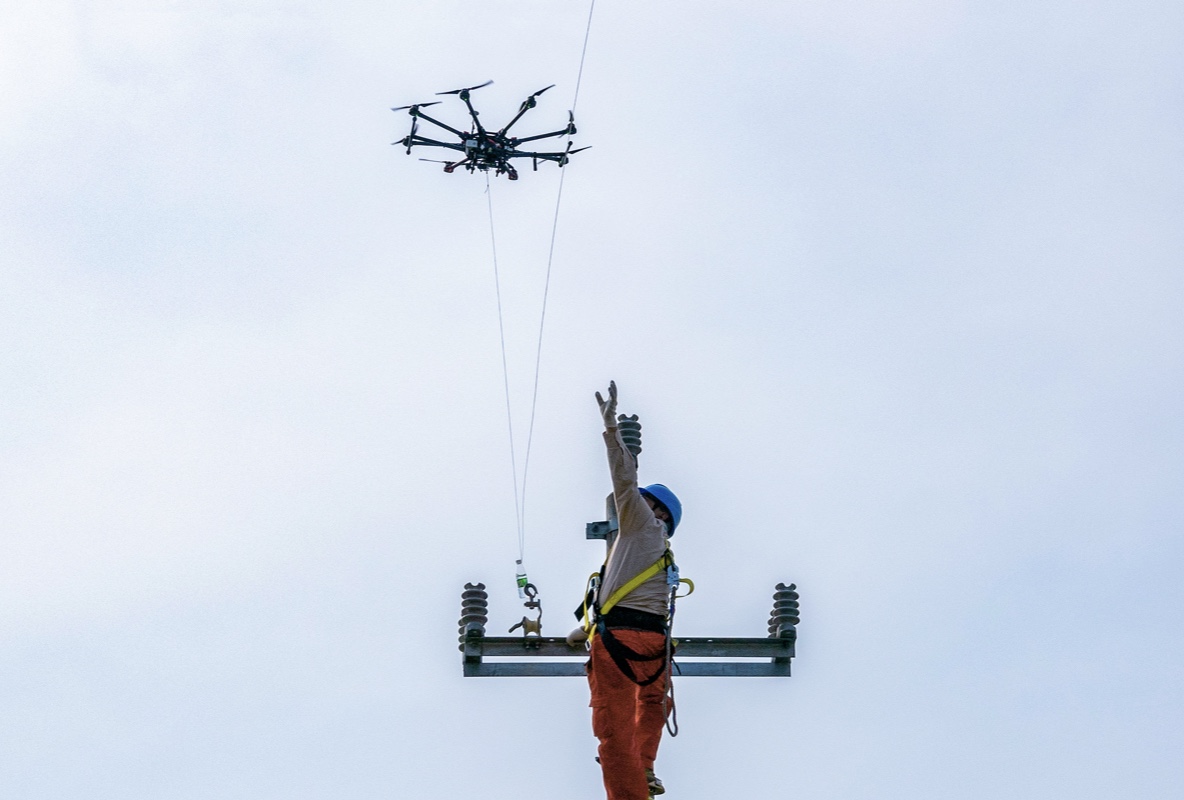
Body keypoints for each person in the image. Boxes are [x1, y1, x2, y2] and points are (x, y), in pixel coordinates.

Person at [569, 381, 683, 800]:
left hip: (620, 641)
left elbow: (623, 477)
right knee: (650, 706)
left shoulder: (639, 522)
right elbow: (614, 603)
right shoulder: (657, 553)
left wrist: (611, 429)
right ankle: (646, 770)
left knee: (613, 737)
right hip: (654, 646)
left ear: (653, 510)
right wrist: (583, 631)